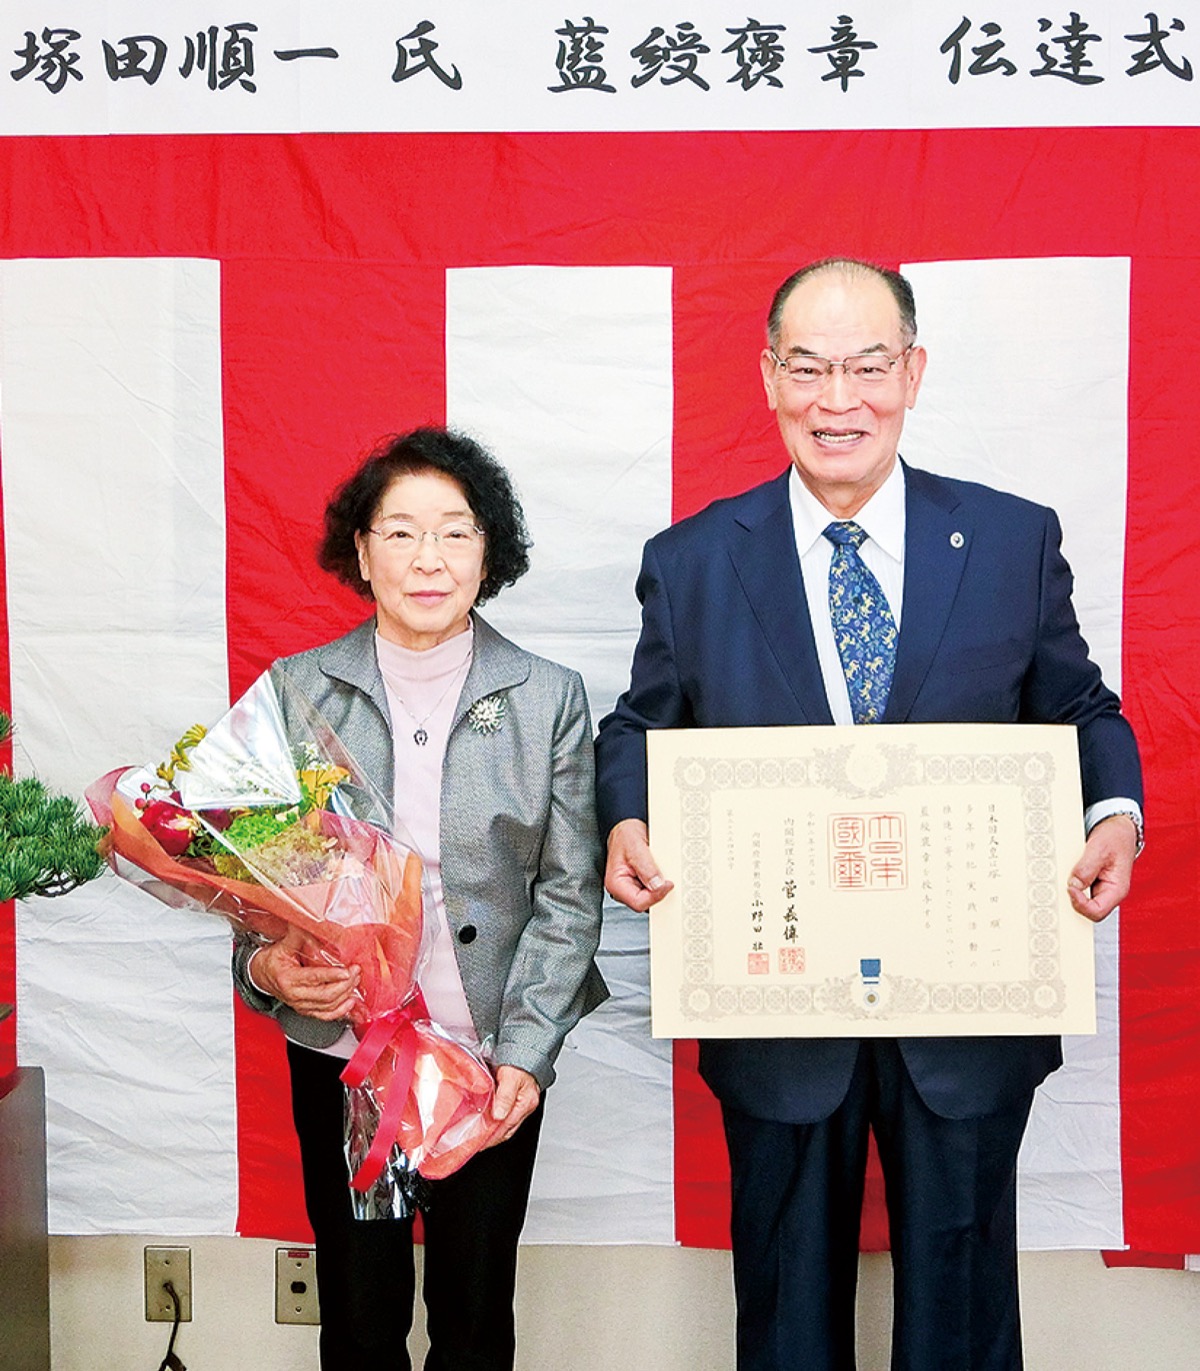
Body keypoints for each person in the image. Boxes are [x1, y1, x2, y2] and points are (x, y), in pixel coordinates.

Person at [594, 258, 1143, 1371]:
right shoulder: (695, 562)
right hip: (781, 1003)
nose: (837, 398)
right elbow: (639, 728)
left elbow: (1080, 707)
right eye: (808, 367)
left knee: (963, 1302)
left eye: (867, 366)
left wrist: (1115, 811)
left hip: (970, 999)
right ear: (768, 379)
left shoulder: (1009, 540)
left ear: (913, 372)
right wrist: (626, 819)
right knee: (789, 1308)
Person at [233, 425, 607, 1371]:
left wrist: (528, 1050)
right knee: (362, 1313)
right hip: (353, 1055)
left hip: (486, 1055)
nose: (427, 558)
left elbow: (569, 893)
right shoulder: (295, 689)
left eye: (455, 531)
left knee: (474, 1312)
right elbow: (250, 884)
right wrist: (266, 965)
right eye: (399, 533)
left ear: (491, 550)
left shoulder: (548, 696)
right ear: (361, 551)